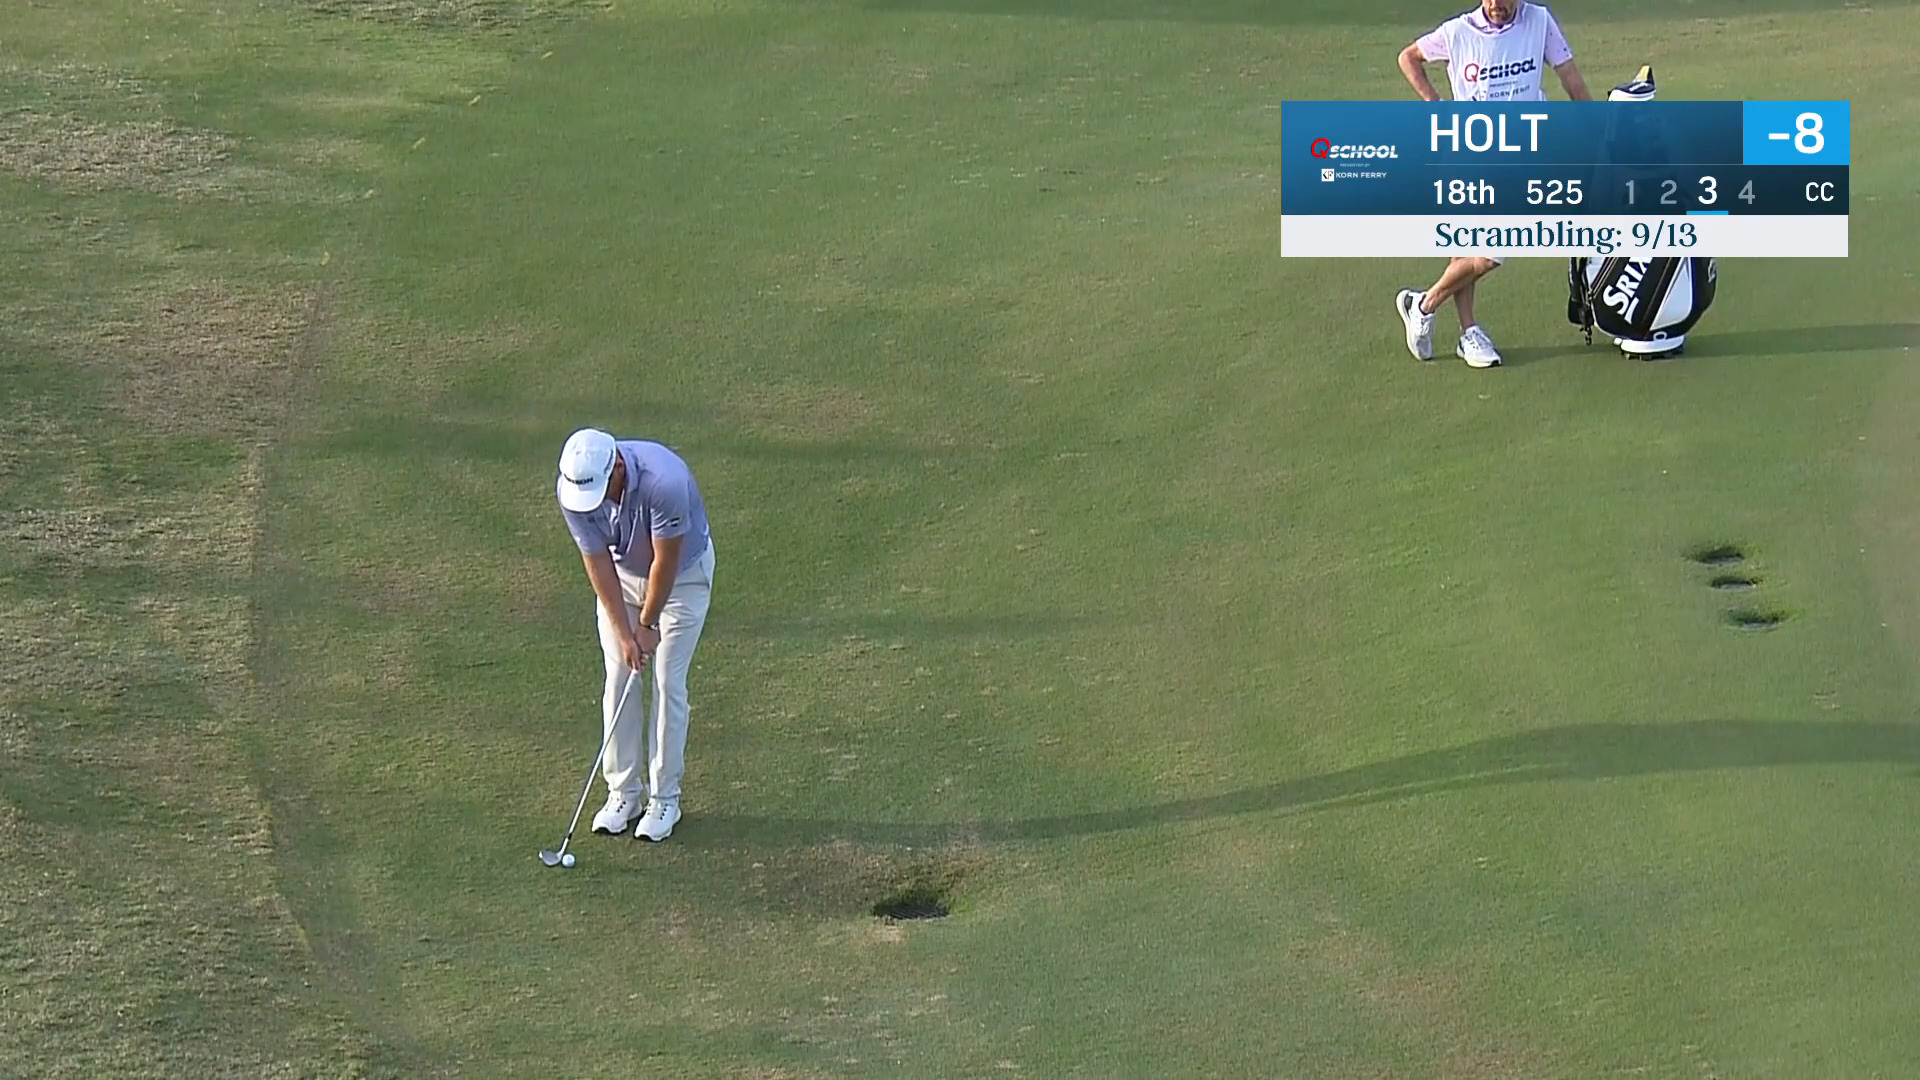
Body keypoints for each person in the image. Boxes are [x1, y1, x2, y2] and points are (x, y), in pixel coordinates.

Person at [1393, 0, 1593, 368]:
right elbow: (1408, 57)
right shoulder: (1457, 32)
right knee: (1486, 252)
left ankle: (1441, 318)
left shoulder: (1539, 20)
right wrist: (1435, 105)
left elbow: (1569, 75)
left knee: (1473, 249)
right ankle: (1429, 308)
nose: (1497, 5)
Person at [555, 427, 715, 842]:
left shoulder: (666, 483)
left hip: (682, 580)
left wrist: (645, 626)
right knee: (619, 678)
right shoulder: (574, 491)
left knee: (667, 681)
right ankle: (623, 793)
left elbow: (666, 561)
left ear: (618, 469)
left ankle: (665, 799)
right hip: (623, 580)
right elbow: (596, 561)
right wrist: (624, 633)